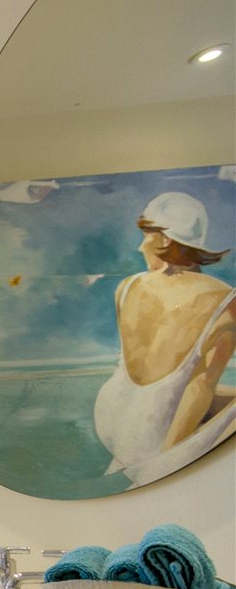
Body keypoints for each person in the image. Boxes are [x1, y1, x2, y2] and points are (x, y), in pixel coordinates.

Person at [93, 190, 236, 479]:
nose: (140, 247)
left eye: (145, 235)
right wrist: (168, 461)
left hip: (110, 415)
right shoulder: (225, 301)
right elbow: (199, 386)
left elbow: (157, 378)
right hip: (150, 433)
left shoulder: (127, 287)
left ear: (165, 238)